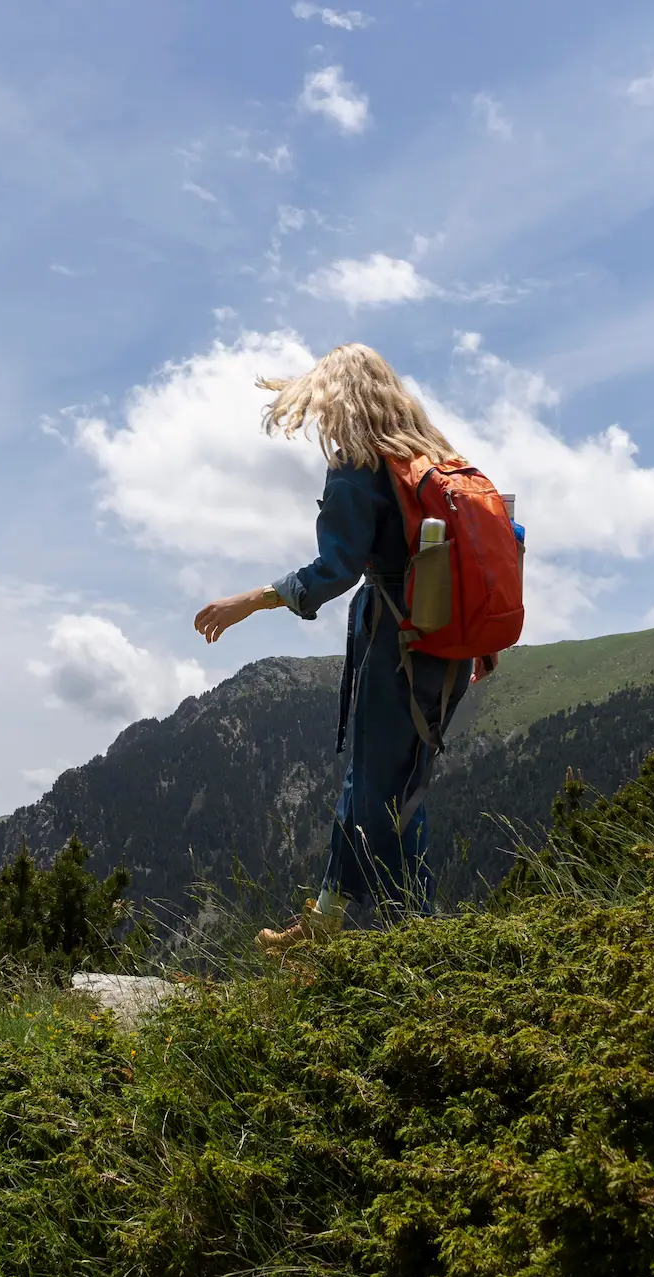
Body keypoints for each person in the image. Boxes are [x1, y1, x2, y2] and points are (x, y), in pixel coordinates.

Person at [192, 343, 479, 949]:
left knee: (379, 791)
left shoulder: (359, 463)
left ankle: (417, 939)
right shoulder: (433, 456)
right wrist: (479, 633)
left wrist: (251, 600)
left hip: (396, 639)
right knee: (392, 781)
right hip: (450, 643)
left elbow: (338, 566)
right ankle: (326, 918)